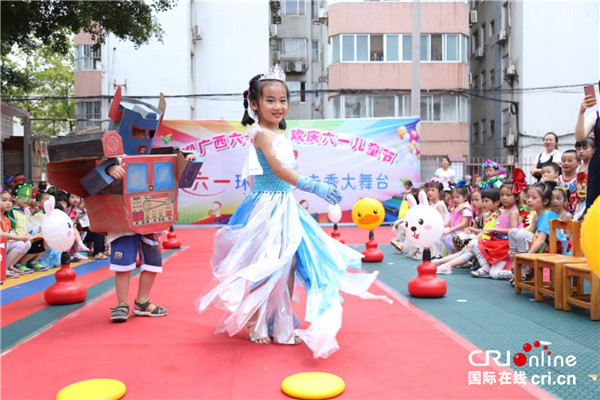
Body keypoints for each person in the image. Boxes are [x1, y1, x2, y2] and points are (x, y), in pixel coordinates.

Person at [196, 65, 390, 358]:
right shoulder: (261, 134)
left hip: (284, 205)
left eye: (283, 100)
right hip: (266, 206)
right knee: (267, 264)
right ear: (254, 104)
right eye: (270, 100)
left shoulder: (278, 134)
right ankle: (259, 324)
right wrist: (315, 187)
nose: (278, 106)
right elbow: (278, 169)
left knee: (288, 265)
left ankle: (282, 325)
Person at [433, 188, 502, 274]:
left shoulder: (495, 215)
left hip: (490, 242)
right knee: (465, 251)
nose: (483, 203)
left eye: (485, 201)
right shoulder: (487, 214)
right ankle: (440, 263)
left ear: (497, 202)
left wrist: (473, 236)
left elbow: (485, 231)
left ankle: (445, 265)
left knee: (469, 248)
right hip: (483, 240)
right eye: (483, 201)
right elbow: (484, 231)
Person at [508, 182, 566, 281]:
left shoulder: (547, 214)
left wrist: (527, 256)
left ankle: (525, 267)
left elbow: (541, 239)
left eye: (534, 198)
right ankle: (516, 258)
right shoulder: (536, 215)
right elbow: (530, 233)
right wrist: (515, 249)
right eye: (528, 197)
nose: (529, 200)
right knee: (513, 231)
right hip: (543, 244)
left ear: (545, 201)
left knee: (521, 234)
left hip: (553, 246)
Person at [575, 92, 599, 213]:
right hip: (598, 164)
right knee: (594, 204)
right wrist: (582, 112)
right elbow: (580, 137)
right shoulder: (596, 115)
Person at [1, 189, 32, 279]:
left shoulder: (6, 218)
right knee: (19, 243)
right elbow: (1, 234)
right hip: (1, 245)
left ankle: (9, 266)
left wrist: (25, 237)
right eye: (4, 200)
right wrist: (18, 237)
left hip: (3, 244)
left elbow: (9, 233)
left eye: (10, 201)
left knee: (26, 243)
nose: (8, 203)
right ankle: (3, 269)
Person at [441, 184, 473, 255]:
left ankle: (455, 255)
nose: (455, 199)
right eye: (453, 197)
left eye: (457, 197)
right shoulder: (457, 207)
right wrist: (440, 226)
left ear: (465, 197)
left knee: (448, 237)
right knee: (442, 235)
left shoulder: (466, 208)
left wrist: (450, 230)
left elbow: (464, 223)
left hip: (462, 232)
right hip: (455, 231)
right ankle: (452, 254)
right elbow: (450, 222)